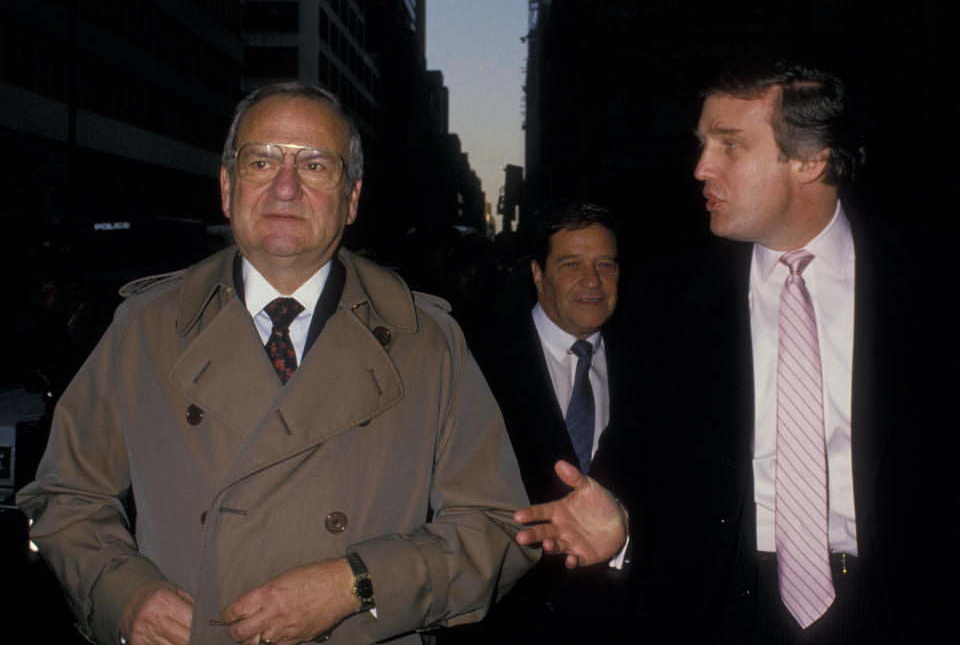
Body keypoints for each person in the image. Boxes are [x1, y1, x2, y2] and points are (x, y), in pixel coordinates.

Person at [17, 82, 537, 645]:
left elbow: (500, 529)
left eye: (315, 165)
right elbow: (65, 497)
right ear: (227, 185)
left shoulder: (429, 342)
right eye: (261, 160)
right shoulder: (144, 328)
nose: (284, 187)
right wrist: (124, 596)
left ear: (352, 197)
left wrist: (357, 585)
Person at [516, 58, 955, 643]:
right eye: (703, 144)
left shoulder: (938, 284)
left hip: (907, 607)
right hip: (724, 609)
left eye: (729, 145)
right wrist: (621, 528)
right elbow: (641, 464)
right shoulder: (666, 302)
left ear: (811, 159)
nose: (701, 168)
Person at [443, 202, 635, 644]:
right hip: (504, 622)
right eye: (571, 265)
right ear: (536, 273)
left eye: (605, 263)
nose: (592, 281)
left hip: (623, 619)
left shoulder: (657, 365)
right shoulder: (473, 359)